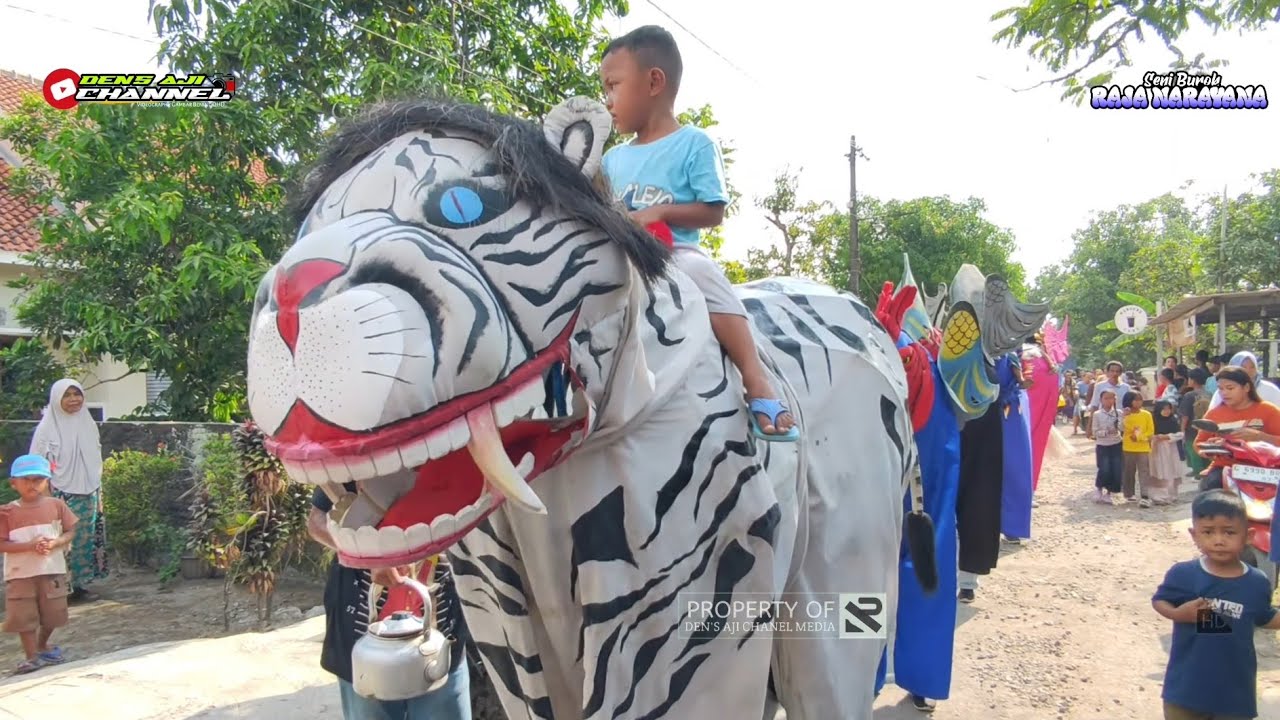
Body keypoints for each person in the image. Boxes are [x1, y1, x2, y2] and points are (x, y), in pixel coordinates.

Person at [598, 25, 797, 442]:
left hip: (675, 257)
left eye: (614, 85)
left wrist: (662, 212)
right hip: (624, 256)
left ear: (654, 81)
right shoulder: (613, 159)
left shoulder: (694, 144)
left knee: (703, 272)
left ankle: (756, 377)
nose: (608, 100)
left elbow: (714, 211)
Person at [307, 484, 472, 720]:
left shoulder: (448, 453)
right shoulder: (352, 461)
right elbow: (317, 521)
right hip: (364, 647)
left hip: (441, 640)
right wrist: (366, 555)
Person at [1152, 490, 1280, 720]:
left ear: (1248, 536)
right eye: (1208, 532)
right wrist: (1178, 614)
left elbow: (1263, 616)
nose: (1219, 540)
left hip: (1235, 692)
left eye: (1229, 532)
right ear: (1194, 535)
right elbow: (1159, 600)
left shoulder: (1256, 582)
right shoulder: (1183, 574)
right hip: (1186, 689)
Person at [28, 378, 107, 601]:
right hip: (59, 494)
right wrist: (46, 499)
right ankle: (60, 589)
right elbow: (37, 465)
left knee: (84, 540)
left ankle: (80, 587)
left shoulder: (87, 423)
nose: (74, 400)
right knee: (61, 542)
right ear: (56, 399)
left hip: (89, 492)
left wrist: (98, 491)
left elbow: (95, 458)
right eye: (67, 395)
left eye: (77, 394)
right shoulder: (46, 428)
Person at [0, 454, 78, 675]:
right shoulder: (7, 512)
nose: (32, 484)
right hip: (20, 573)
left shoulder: (56, 505)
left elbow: (70, 531)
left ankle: (43, 644)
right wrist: (28, 546)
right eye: (25, 479)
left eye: (38, 479)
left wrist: (56, 543)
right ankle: (31, 656)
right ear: (13, 483)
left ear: (47, 481)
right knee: (23, 615)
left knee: (54, 612)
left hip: (51, 569)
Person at [1195, 365, 1280, 492]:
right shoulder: (1214, 414)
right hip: (1225, 468)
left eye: (1230, 388)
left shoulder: (1268, 410)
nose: (1224, 393)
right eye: (1220, 389)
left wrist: (1261, 437)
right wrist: (1210, 449)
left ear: (1246, 387)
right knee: (1208, 497)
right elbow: (1198, 443)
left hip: (1265, 470)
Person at [1208, 351, 1280, 411]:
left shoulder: (1270, 389)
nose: (1248, 371)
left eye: (1252, 367)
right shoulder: (1224, 391)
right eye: (1243, 367)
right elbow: (1213, 414)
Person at [1088, 389, 1123, 504]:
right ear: (1101, 400)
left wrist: (1119, 426)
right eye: (1106, 398)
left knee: (1116, 468)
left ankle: (1109, 492)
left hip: (1116, 443)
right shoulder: (1097, 414)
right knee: (1104, 467)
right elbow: (1095, 431)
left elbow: (1122, 428)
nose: (1109, 401)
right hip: (1103, 444)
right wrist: (1105, 432)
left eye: (1111, 398)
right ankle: (1099, 488)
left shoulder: (1119, 413)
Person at [1121, 390, 1155, 507]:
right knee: (1129, 471)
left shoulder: (1147, 414)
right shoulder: (1126, 415)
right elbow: (1123, 428)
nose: (1138, 402)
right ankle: (1129, 493)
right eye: (1136, 399)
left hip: (1143, 447)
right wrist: (1124, 417)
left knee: (1144, 471)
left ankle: (1145, 494)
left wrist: (1140, 437)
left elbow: (1150, 431)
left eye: (1140, 399)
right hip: (1128, 447)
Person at [1179, 368, 1212, 480]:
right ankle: (1207, 469)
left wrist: (1182, 430)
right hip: (1207, 425)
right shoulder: (1209, 394)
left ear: (1192, 380)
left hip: (1192, 427)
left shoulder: (1189, 395)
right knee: (1206, 448)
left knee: (1192, 449)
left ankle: (1198, 471)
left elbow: (1185, 415)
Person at [1149, 399, 1184, 505]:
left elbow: (1180, 434)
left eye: (1168, 409)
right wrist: (1155, 437)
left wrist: (1167, 436)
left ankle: (1172, 495)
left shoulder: (1172, 420)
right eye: (1164, 409)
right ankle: (1159, 496)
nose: (1167, 411)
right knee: (1159, 471)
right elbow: (1148, 433)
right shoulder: (1153, 420)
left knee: (1171, 470)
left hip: (1171, 449)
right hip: (1157, 449)